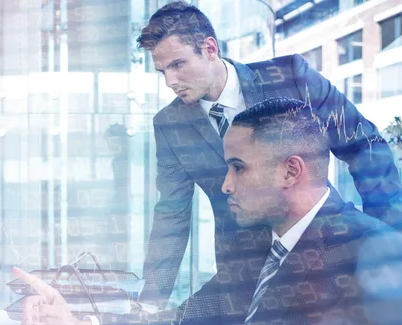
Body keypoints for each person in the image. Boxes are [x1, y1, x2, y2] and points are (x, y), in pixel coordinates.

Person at [14, 98, 402, 325]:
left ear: (291, 171)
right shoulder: (257, 241)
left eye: (238, 167)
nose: (225, 185)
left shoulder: (375, 256)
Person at [133, 1, 402, 308]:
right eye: (162, 70)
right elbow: (171, 213)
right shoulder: (169, 124)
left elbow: (364, 147)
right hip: (242, 274)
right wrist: (151, 302)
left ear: (209, 48)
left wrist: (387, 242)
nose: (170, 82)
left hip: (324, 254)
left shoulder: (291, 78)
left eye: (177, 65)